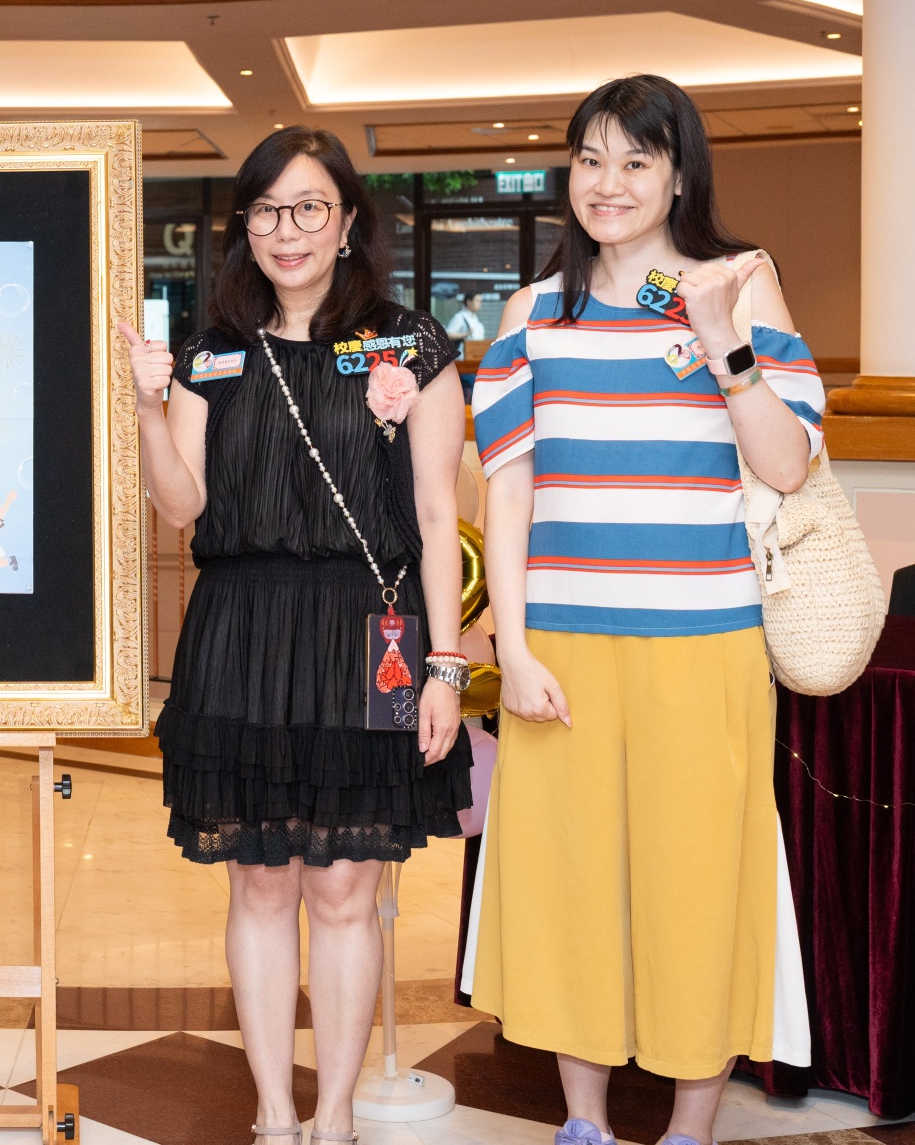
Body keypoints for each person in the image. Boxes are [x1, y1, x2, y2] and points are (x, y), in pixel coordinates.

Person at [469, 74, 821, 1145]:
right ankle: (582, 1120)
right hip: (564, 650)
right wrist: (514, 648)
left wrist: (722, 341)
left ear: (678, 176)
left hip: (707, 646)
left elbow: (789, 465)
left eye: (635, 160)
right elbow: (509, 495)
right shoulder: (532, 314)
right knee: (570, 881)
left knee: (698, 881)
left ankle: (689, 1128)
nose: (608, 183)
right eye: (590, 159)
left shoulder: (740, 286)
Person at [117, 127, 471, 1145]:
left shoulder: (409, 344)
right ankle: (275, 1116)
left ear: (348, 220)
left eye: (310, 206)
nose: (288, 229)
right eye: (268, 209)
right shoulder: (213, 352)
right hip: (241, 628)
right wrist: (147, 407)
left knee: (347, 885)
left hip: (370, 632)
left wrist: (446, 666)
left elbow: (437, 515)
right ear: (247, 227)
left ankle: (336, 1116)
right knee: (262, 879)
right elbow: (181, 504)